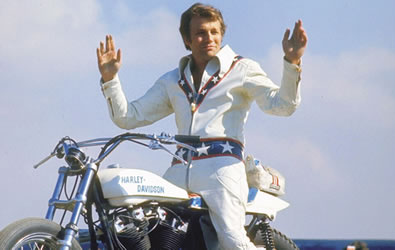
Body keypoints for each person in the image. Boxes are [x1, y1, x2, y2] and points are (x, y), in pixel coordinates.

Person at [96, 3, 307, 249]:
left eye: (214, 32)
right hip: (178, 170)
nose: (209, 38)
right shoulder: (172, 80)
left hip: (223, 169)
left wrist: (292, 62)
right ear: (187, 39)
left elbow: (282, 105)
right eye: (200, 32)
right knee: (145, 228)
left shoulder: (241, 69)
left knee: (232, 240)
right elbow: (128, 117)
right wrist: (111, 79)